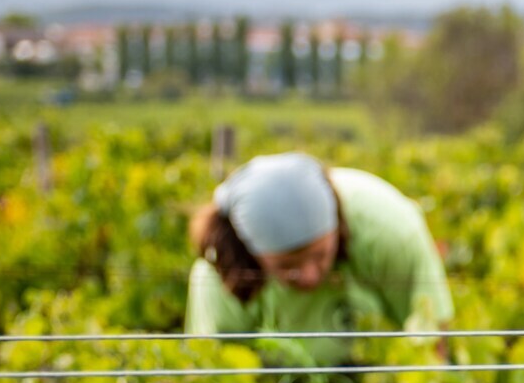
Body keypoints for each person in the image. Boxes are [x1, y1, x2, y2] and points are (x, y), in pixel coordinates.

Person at [186, 153, 453, 365]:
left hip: (377, 375)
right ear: (251, 252)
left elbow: (432, 341)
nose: (310, 275)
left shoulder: (390, 228)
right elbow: (217, 372)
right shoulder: (221, 265)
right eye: (288, 266)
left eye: (320, 255)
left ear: (337, 227)